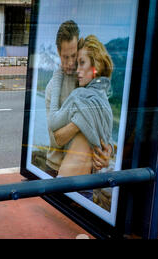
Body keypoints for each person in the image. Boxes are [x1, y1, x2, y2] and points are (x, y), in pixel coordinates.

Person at [44, 20, 112, 178]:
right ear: (58, 52)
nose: (69, 63)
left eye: (73, 56)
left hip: (85, 172)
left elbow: (103, 122)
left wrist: (108, 151)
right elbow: (56, 139)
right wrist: (81, 121)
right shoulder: (52, 87)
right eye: (64, 57)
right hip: (55, 169)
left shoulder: (87, 80)